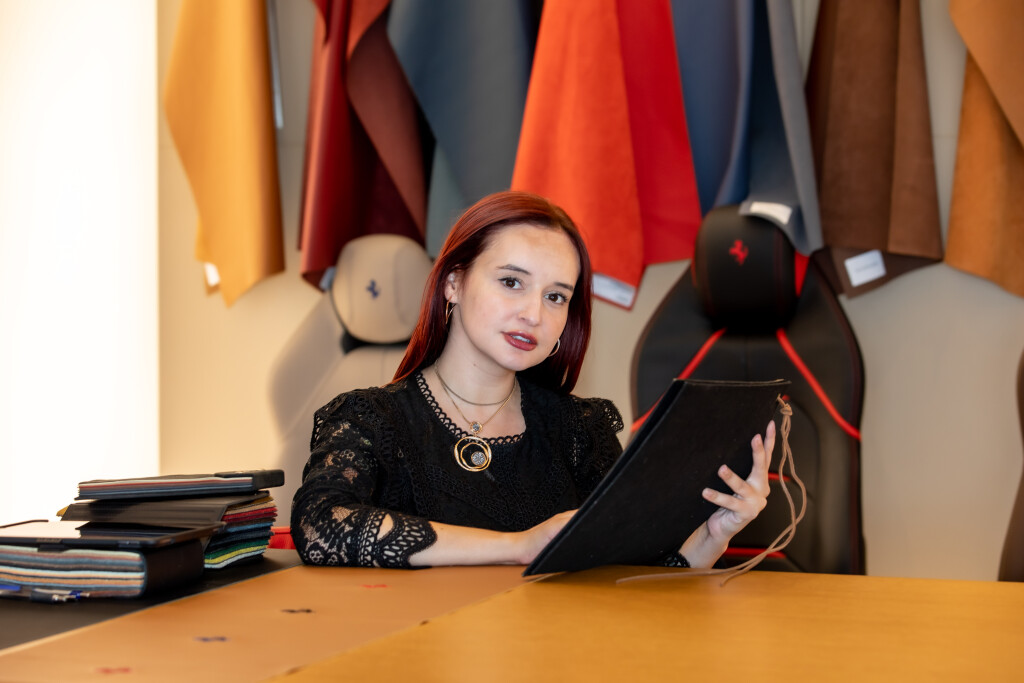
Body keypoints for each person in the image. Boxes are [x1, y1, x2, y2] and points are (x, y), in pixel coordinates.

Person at [291, 190, 775, 569]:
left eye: (556, 296)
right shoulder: (370, 418)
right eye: (511, 282)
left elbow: (634, 578)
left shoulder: (580, 431)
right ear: (454, 282)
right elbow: (320, 527)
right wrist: (519, 547)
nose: (534, 314)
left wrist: (714, 533)